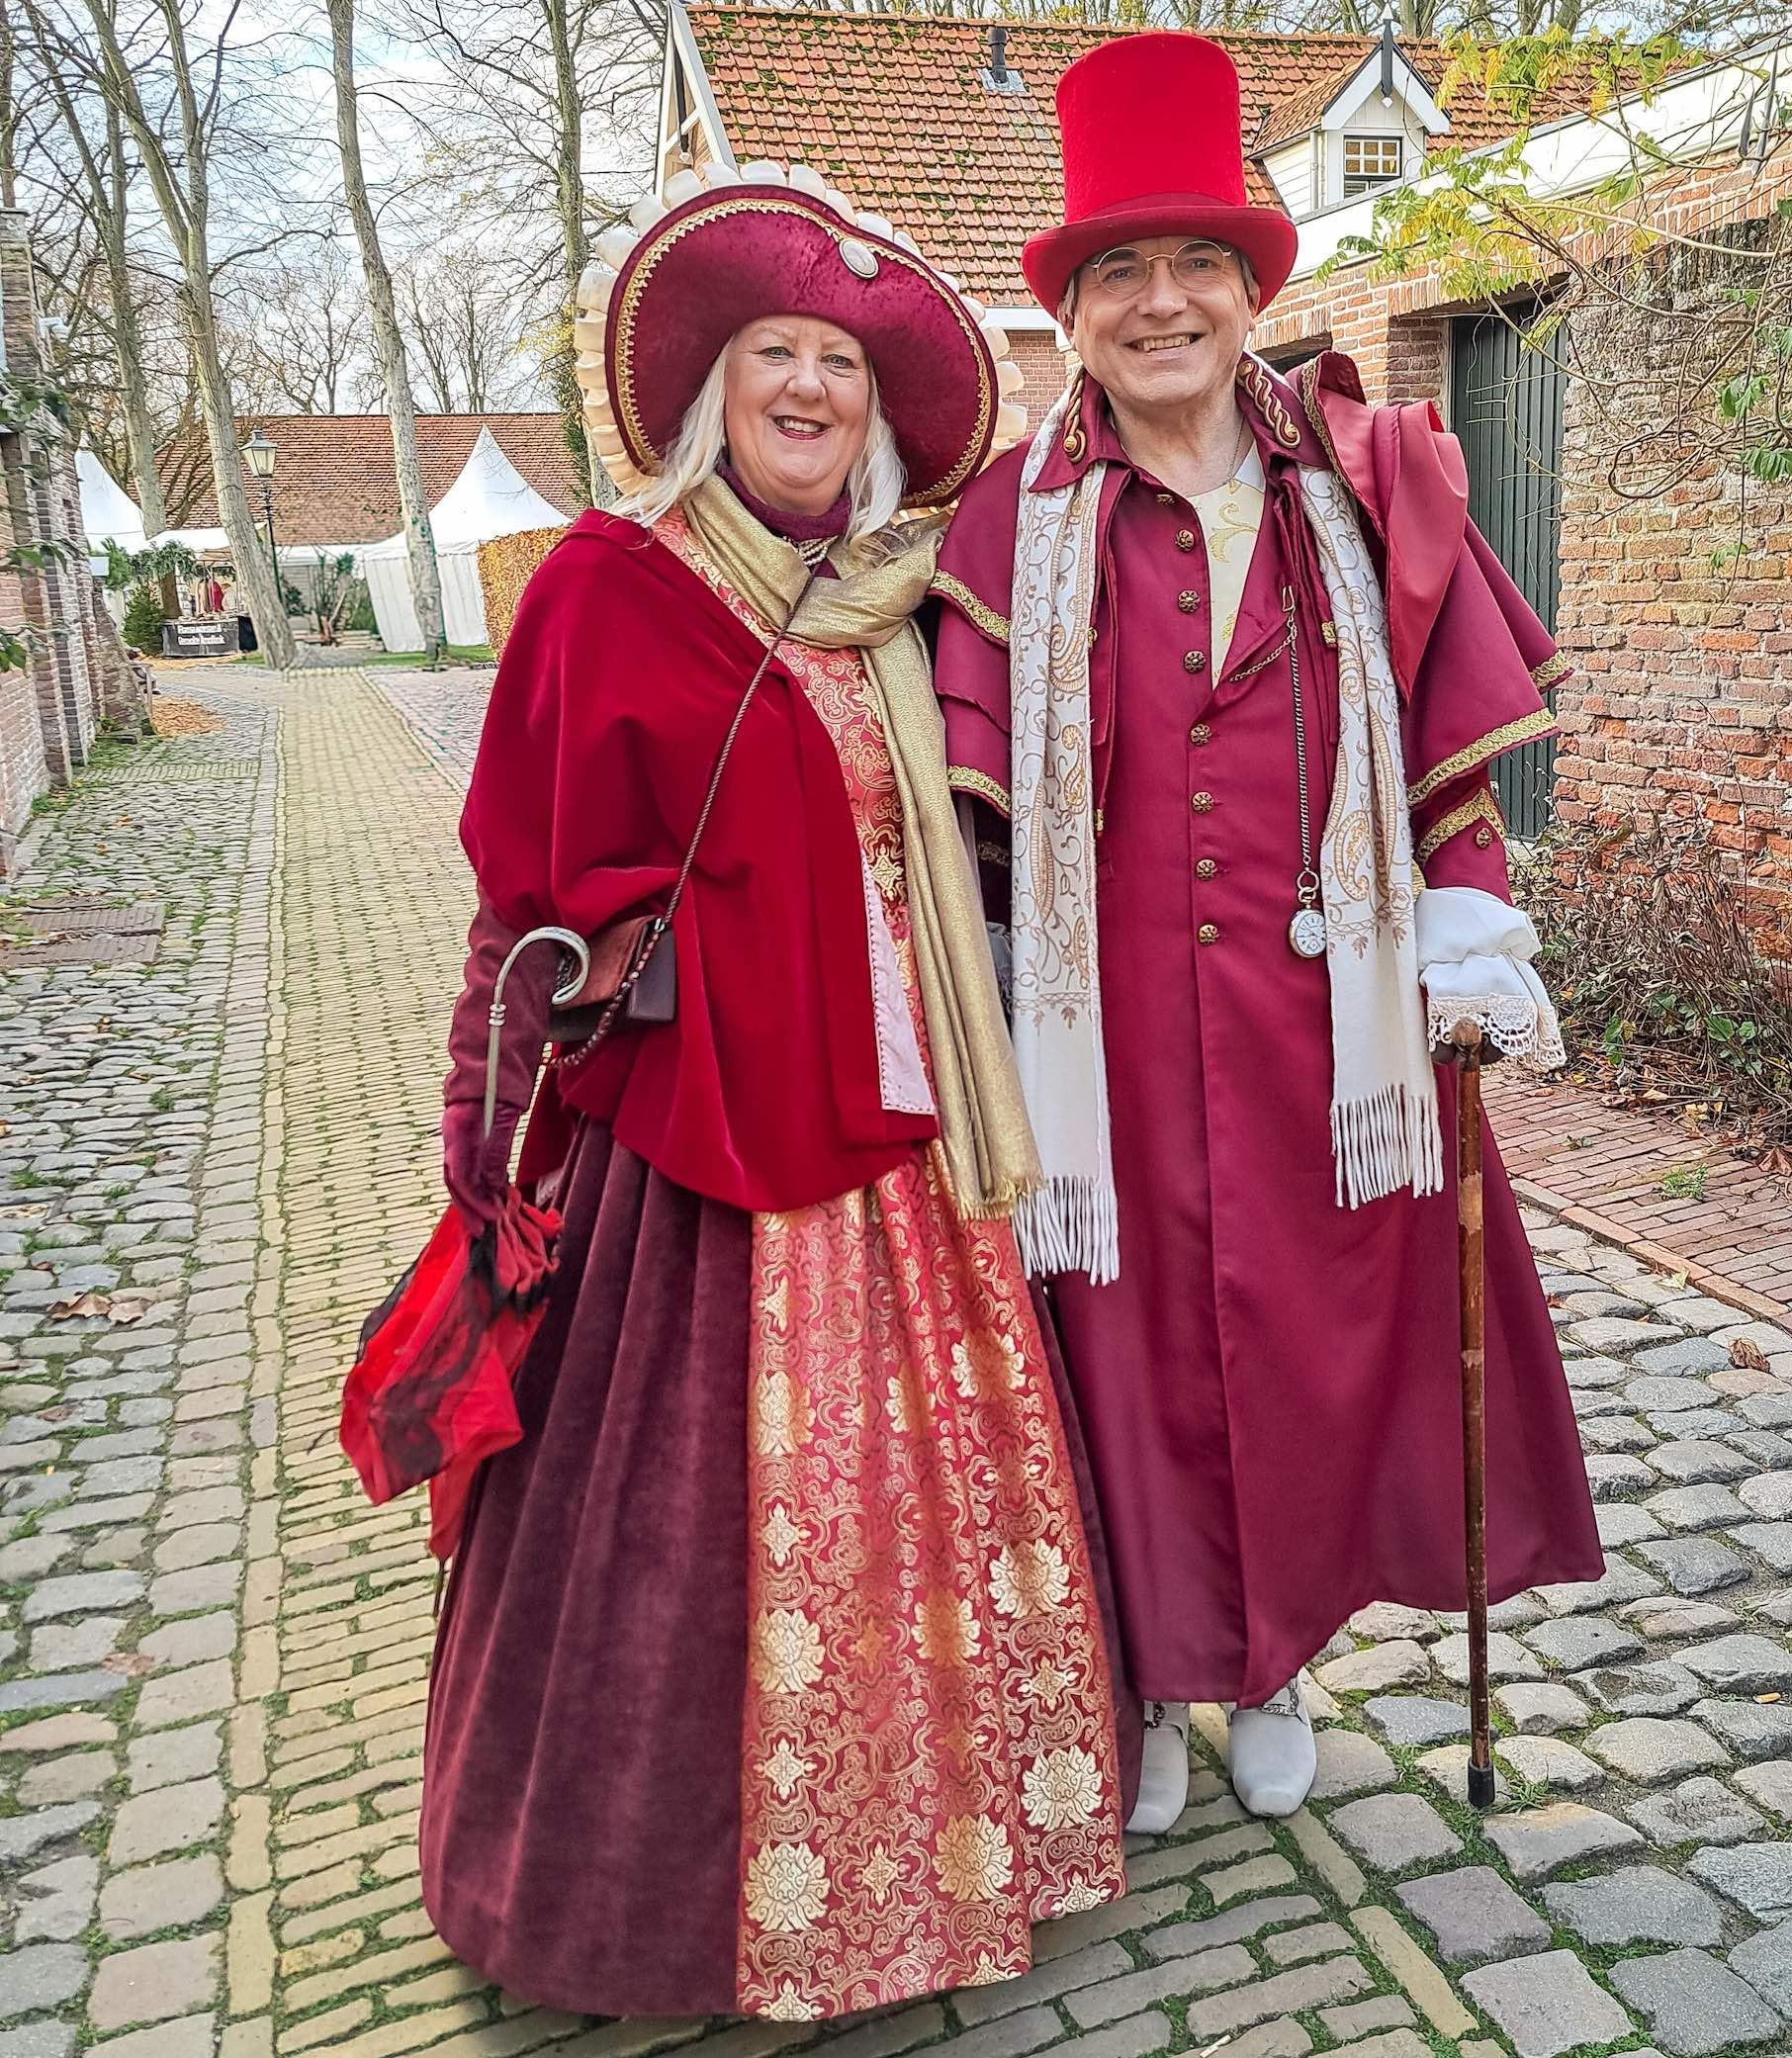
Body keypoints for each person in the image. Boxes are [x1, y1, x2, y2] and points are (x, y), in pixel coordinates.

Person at [419, 163, 1128, 2021]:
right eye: (777, 355)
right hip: (701, 1149)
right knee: (676, 1533)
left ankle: (949, 1854)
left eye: (842, 363)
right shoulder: (606, 586)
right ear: (711, 392)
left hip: (904, 1119)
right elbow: (519, 887)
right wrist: (482, 1131)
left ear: (878, 418)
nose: (813, 387)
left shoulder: (895, 609)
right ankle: (668, 1906)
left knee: (932, 1500)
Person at [931, 35, 1604, 1836]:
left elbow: (1450, 757)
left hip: (1329, 1035)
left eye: (1196, 268)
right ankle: (1152, 1673)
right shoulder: (1010, 523)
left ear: (1248, 291)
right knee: (1124, 1348)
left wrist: (1467, 938)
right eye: (1119, 275)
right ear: (1070, 314)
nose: (1162, 306)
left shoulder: (1368, 482)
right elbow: (969, 807)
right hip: (1110, 1044)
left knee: (1310, 1347)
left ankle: (1275, 1660)